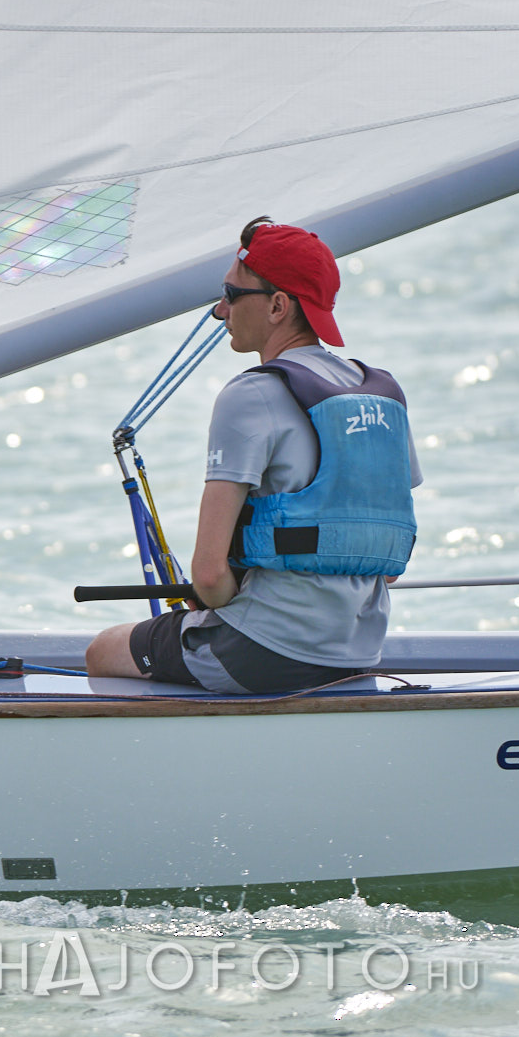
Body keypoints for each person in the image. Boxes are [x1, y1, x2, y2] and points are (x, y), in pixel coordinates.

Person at [85, 219, 422, 693]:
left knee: (103, 651)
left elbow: (208, 575)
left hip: (264, 652)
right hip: (359, 654)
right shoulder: (384, 395)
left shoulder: (251, 394)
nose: (220, 310)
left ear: (278, 306)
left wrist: (216, 598)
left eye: (231, 293)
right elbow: (385, 567)